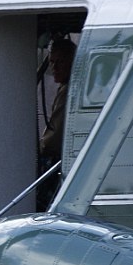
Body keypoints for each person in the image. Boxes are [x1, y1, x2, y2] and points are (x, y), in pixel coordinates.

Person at [38, 38, 77, 209]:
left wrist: (39, 148)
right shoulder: (66, 87)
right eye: (52, 62)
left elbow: (53, 140)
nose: (54, 68)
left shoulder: (69, 90)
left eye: (60, 62)